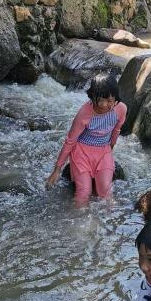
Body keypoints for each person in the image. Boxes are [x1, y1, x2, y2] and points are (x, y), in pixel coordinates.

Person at [46, 72, 127, 206]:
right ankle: (78, 223)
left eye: (110, 100)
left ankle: (112, 222)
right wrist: (57, 169)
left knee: (105, 192)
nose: (104, 104)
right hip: (81, 153)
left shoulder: (121, 109)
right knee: (84, 192)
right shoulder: (84, 113)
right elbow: (70, 141)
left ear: (115, 98)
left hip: (103, 152)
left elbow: (116, 130)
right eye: (100, 100)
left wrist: (110, 149)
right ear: (93, 96)